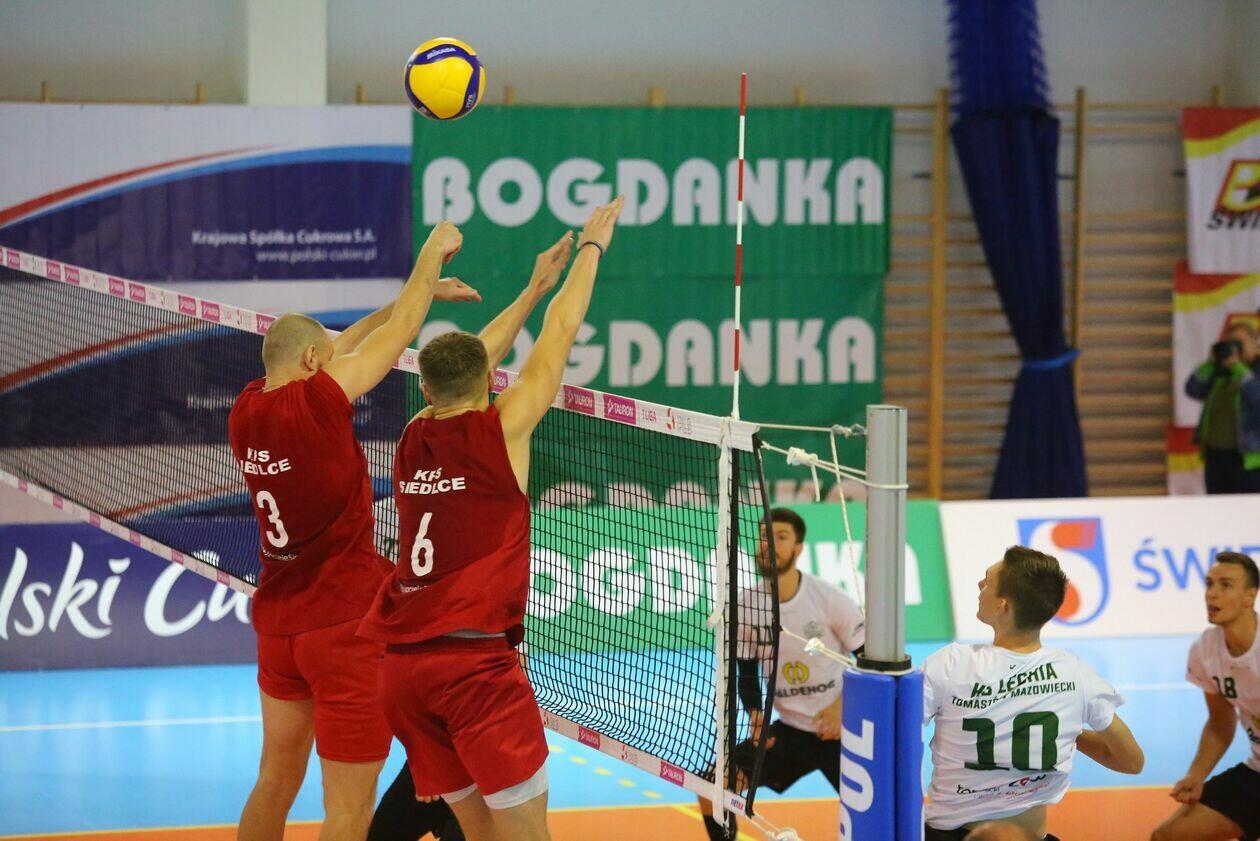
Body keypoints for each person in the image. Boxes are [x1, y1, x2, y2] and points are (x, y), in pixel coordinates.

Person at [358, 197, 625, 841]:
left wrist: (531, 290)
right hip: (473, 668)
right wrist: (590, 250)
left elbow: (472, 360)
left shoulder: (412, 434)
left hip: (403, 675)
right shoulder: (501, 431)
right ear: (488, 379)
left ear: (426, 389)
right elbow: (562, 332)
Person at [228, 221, 470, 840]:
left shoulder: (246, 407)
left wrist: (417, 292)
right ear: (314, 363)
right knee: (348, 810)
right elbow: (397, 335)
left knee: (273, 782)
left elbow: (348, 344)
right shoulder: (315, 403)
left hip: (278, 625)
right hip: (342, 627)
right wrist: (429, 256)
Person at [923, 546, 1145, 841]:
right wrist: (1069, 733)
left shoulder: (951, 664)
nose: (979, 585)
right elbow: (1131, 761)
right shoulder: (1075, 675)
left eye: (987, 581)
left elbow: (894, 738)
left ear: (1003, 606)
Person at [698, 507, 865, 841]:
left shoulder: (830, 600)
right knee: (712, 784)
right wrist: (756, 715)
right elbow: (746, 670)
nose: (769, 544)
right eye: (764, 536)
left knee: (879, 812)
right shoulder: (746, 607)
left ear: (798, 548)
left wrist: (841, 707)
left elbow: (871, 662)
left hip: (842, 731)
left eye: (780, 537)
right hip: (791, 731)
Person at [1150, 551, 1260, 841]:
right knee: (1166, 837)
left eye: (1226, 585)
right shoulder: (1205, 651)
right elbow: (1220, 722)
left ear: (1250, 597)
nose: (1212, 593)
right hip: (1256, 774)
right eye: (1209, 584)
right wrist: (1196, 775)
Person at [1185, 321, 1260, 494]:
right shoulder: (1219, 372)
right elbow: (1192, 389)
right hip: (1216, 458)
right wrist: (1210, 363)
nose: (1235, 347)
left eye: (1241, 342)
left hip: (1249, 460)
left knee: (1248, 508)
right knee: (1217, 506)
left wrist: (1238, 368)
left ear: (1256, 346)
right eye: (1231, 342)